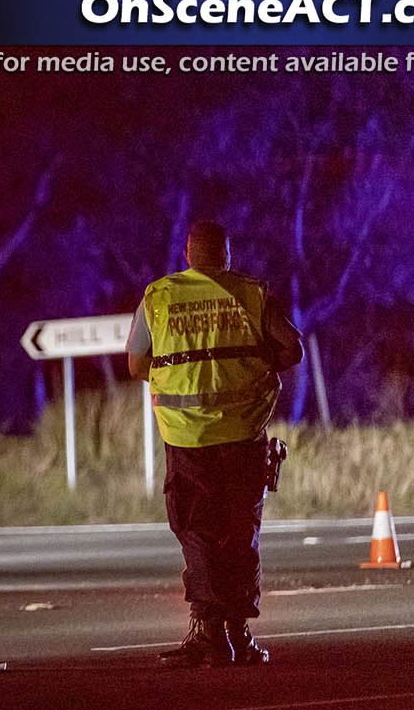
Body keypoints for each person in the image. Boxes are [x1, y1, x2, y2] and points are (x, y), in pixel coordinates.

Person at [126, 220, 302, 667]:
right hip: (243, 434)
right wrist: (253, 369)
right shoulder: (251, 293)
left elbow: (135, 364)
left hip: (188, 437)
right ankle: (240, 635)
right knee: (240, 531)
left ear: (188, 253)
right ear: (226, 253)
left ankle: (208, 633)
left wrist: (176, 377)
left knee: (199, 532)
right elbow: (292, 350)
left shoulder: (158, 297)